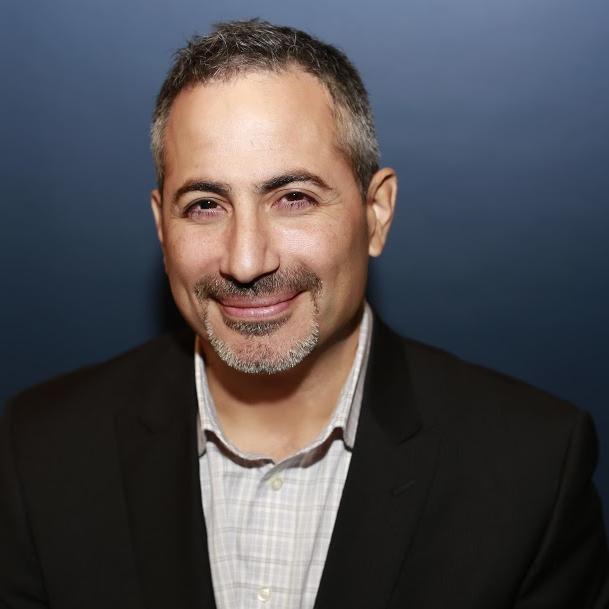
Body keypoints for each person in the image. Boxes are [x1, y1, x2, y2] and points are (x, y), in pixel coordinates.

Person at [1, 18, 607, 609]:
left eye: (294, 198)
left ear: (377, 214)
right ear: (162, 227)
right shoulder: (40, 453)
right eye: (206, 205)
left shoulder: (532, 468)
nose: (245, 261)